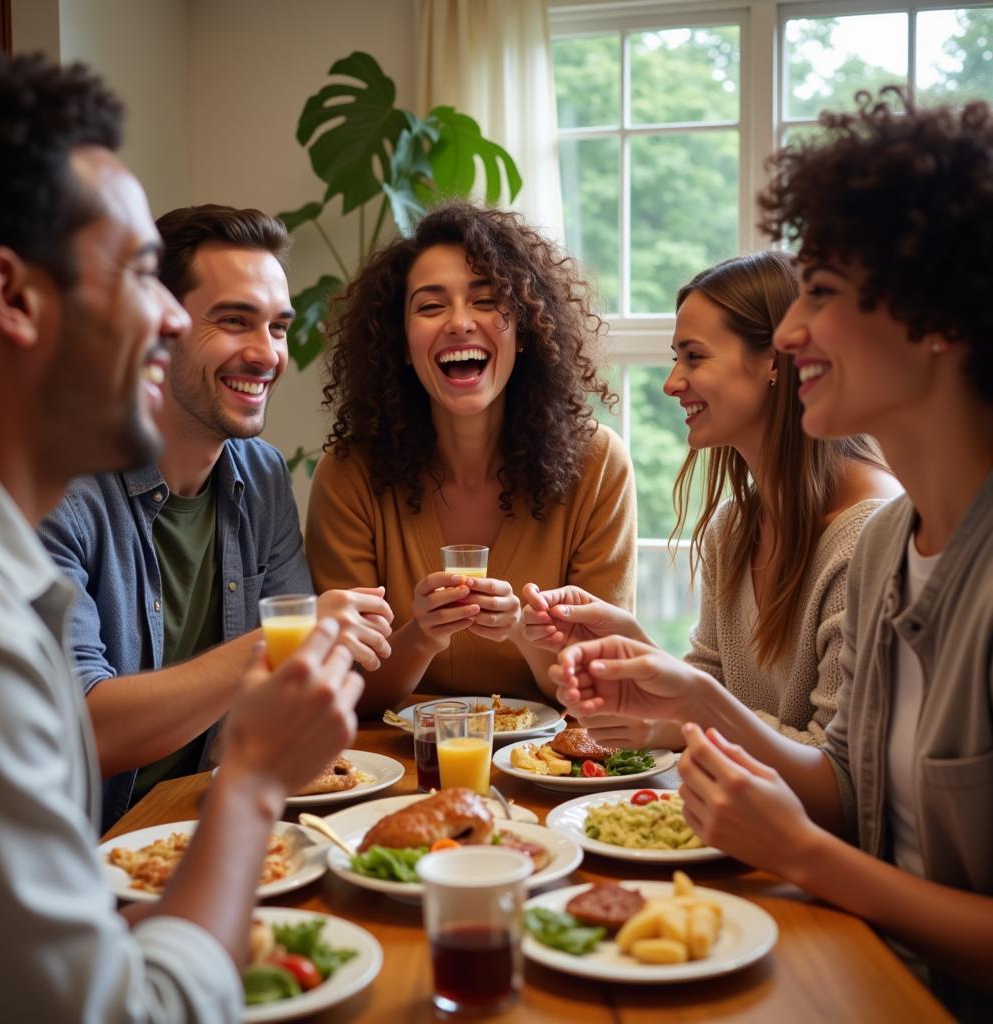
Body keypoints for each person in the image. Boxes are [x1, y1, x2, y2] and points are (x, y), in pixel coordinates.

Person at [553, 89, 993, 1019]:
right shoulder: (887, 549)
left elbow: (824, 836)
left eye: (822, 297)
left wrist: (802, 856)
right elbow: (840, 786)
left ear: (938, 315)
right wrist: (686, 693)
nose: (792, 336)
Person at [0, 52, 364, 1022]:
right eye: (142, 276)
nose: (165, 319)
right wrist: (254, 784)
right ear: (14, 298)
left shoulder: (251, 476)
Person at [38, 204, 393, 827]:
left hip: (216, 815)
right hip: (87, 851)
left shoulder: (260, 476)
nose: (266, 354)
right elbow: (78, 728)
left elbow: (290, 693)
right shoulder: (59, 488)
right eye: (233, 321)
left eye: (278, 328)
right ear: (156, 325)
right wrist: (283, 640)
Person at [523, 252, 898, 748]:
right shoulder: (735, 528)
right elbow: (711, 692)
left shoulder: (868, 537)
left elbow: (840, 776)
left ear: (776, 360)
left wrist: (672, 725)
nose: (671, 382)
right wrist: (630, 639)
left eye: (694, 357)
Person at [306, 201, 636, 713]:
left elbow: (603, 686)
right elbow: (349, 692)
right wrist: (423, 636)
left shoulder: (598, 464)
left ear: (526, 328)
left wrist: (522, 633)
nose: (460, 323)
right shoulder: (349, 474)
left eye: (486, 300)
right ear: (399, 341)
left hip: (549, 773)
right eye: (431, 306)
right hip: (393, 772)